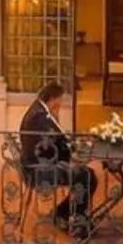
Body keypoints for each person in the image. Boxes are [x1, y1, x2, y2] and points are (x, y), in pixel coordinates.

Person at [18, 83, 92, 233]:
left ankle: (66, 214)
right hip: (40, 170)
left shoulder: (39, 111)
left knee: (85, 173)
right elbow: (52, 144)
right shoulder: (39, 117)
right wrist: (71, 152)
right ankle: (72, 219)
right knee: (86, 175)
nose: (62, 103)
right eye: (60, 99)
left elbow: (54, 139)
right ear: (53, 98)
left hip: (38, 164)